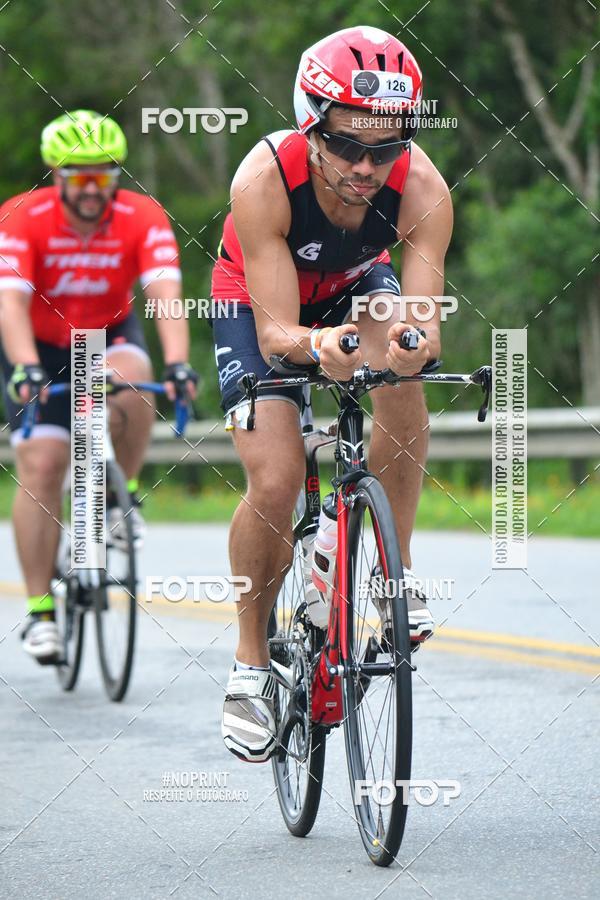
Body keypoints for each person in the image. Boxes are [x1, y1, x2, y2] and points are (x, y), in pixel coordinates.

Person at [210, 26, 453, 762]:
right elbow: (282, 332)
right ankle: (251, 663)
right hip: (262, 308)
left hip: (354, 288)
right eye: (348, 144)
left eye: (386, 148)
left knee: (403, 378)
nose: (367, 166)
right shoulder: (263, 180)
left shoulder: (422, 187)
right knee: (279, 478)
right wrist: (320, 347)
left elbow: (422, 323)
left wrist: (408, 343)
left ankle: (391, 576)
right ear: (310, 124)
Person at [0, 109, 198, 664]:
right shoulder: (21, 218)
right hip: (36, 346)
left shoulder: (142, 216)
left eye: (105, 176)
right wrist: (22, 367)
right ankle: (41, 611)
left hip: (104, 335)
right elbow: (9, 303)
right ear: (57, 178)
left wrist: (178, 362)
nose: (93, 189)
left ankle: (116, 500)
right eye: (80, 177)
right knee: (42, 464)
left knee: (136, 381)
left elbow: (163, 293)